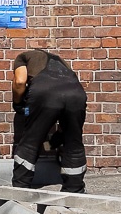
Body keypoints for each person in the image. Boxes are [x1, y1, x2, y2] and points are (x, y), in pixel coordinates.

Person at [12, 49, 88, 193]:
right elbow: (64, 96)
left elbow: (20, 81)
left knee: (30, 141)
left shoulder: (23, 57)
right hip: (77, 95)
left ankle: (21, 188)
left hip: (45, 93)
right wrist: (59, 134)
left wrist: (18, 103)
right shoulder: (61, 62)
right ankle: (74, 189)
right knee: (74, 143)